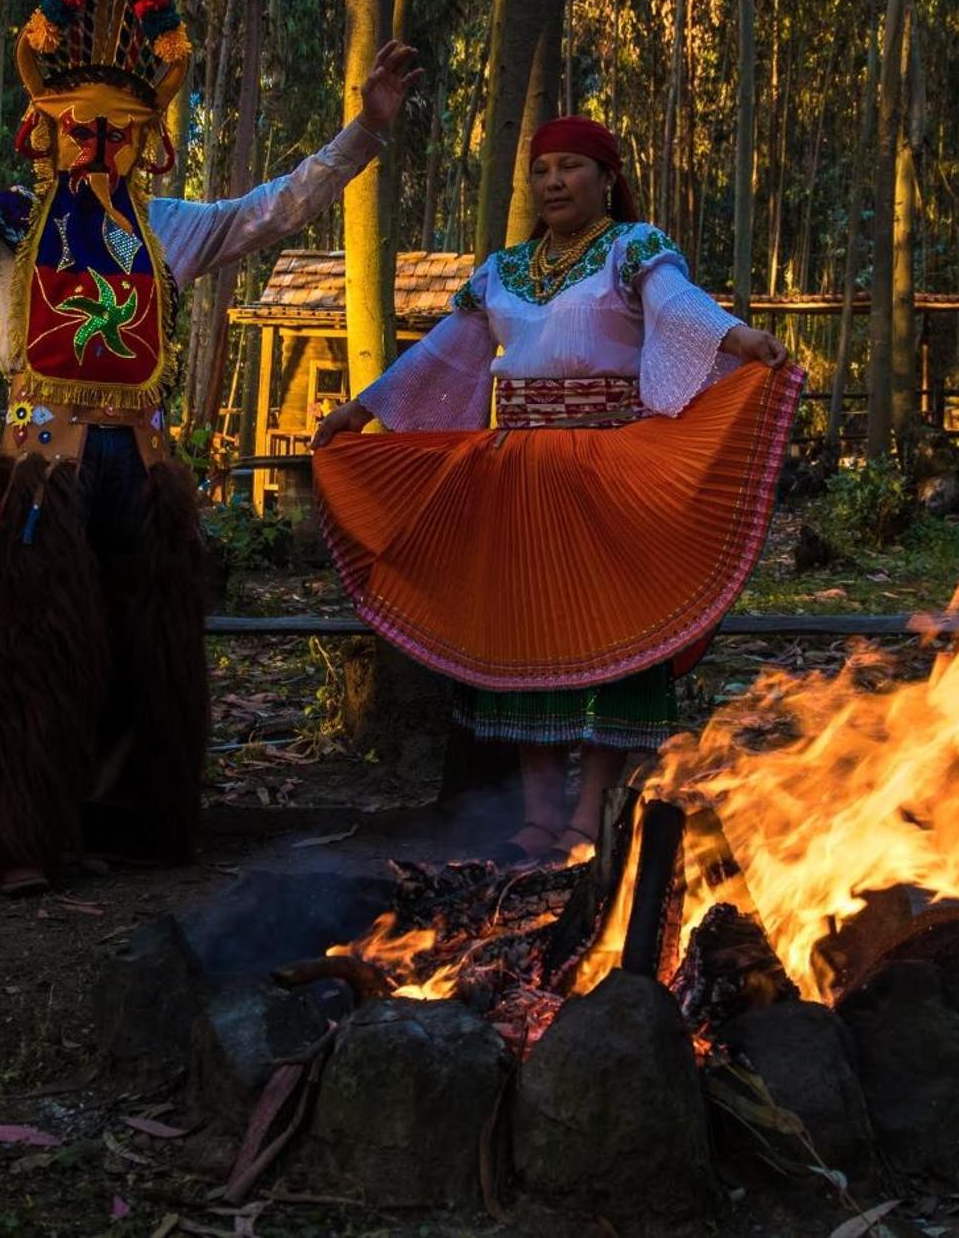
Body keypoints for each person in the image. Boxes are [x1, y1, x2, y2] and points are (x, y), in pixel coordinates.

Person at [0, 0, 422, 892]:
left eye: (118, 129)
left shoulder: (167, 226)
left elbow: (275, 210)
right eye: (81, 124)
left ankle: (127, 819)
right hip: (40, 470)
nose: (98, 142)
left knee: (140, 651)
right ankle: (19, 837)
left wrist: (363, 132)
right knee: (27, 656)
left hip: (143, 469)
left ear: (146, 138)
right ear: (45, 128)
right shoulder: (4, 221)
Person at [311, 114, 800, 864]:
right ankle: (539, 817)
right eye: (541, 170)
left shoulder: (634, 249)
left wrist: (736, 339)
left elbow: (677, 308)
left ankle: (588, 814)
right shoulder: (501, 270)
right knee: (524, 630)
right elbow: (448, 354)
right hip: (515, 472)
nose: (552, 182)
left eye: (570, 166)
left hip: (609, 464)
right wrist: (360, 409)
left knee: (612, 627)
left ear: (607, 179)